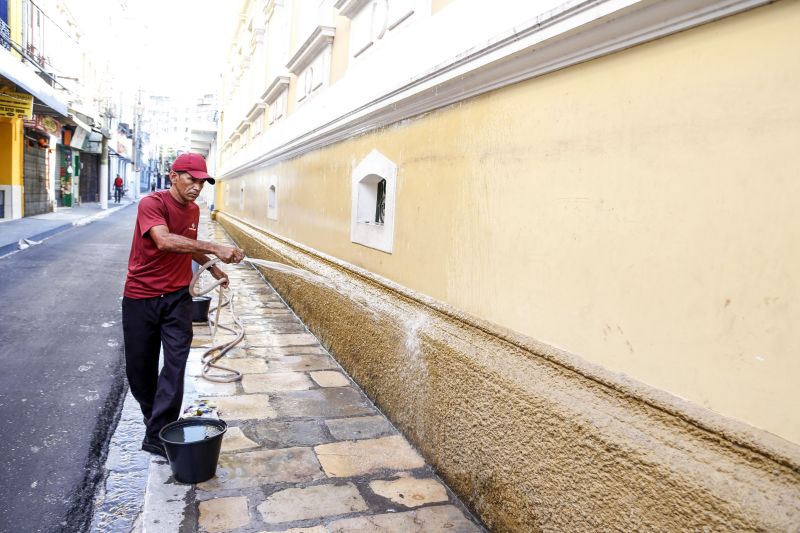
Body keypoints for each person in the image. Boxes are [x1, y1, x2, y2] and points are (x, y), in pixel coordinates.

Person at [122, 152, 244, 457]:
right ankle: (154, 420)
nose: (197, 187)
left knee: (175, 367)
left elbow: (187, 245)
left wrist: (213, 268)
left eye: (202, 182)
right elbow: (165, 240)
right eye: (192, 179)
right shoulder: (152, 204)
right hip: (141, 297)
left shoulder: (193, 210)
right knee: (140, 372)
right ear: (173, 177)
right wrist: (215, 247)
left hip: (178, 299)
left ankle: (158, 434)